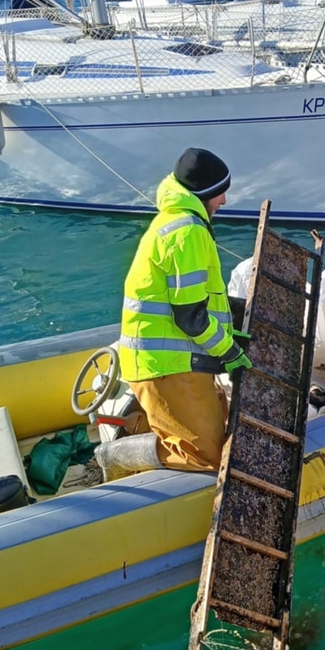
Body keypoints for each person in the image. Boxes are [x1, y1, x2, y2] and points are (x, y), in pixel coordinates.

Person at [99, 147, 252, 479]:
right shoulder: (188, 232)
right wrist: (229, 351)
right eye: (219, 193)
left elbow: (198, 302)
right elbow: (191, 317)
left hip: (173, 360)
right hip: (164, 366)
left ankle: (140, 435)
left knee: (216, 430)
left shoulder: (176, 222)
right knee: (206, 457)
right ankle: (113, 455)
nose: (223, 201)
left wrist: (231, 334)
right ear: (203, 194)